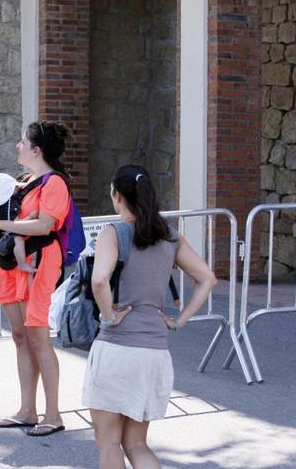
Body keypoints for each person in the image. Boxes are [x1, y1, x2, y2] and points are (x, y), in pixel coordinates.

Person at [83, 164, 216, 469]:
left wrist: (108, 317)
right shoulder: (169, 237)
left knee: (108, 444)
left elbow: (100, 279)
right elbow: (207, 278)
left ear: (117, 195)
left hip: (117, 348)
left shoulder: (113, 233)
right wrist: (178, 321)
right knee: (136, 444)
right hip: (154, 352)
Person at [0, 121, 73, 436]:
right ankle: (27, 411)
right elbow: (10, 217)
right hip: (13, 263)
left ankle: (52, 415)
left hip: (38, 263)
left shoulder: (54, 184)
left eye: (23, 142)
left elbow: (44, 226)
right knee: (19, 336)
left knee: (39, 339)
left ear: (37, 150)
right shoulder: (27, 181)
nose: (18, 145)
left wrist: (1, 227)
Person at [0, 172, 40, 273]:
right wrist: (31, 217)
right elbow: (16, 225)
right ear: (8, 191)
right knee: (18, 240)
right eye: (15, 187)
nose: (18, 189)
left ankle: (0, 260)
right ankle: (22, 264)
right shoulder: (9, 205)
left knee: (3, 242)